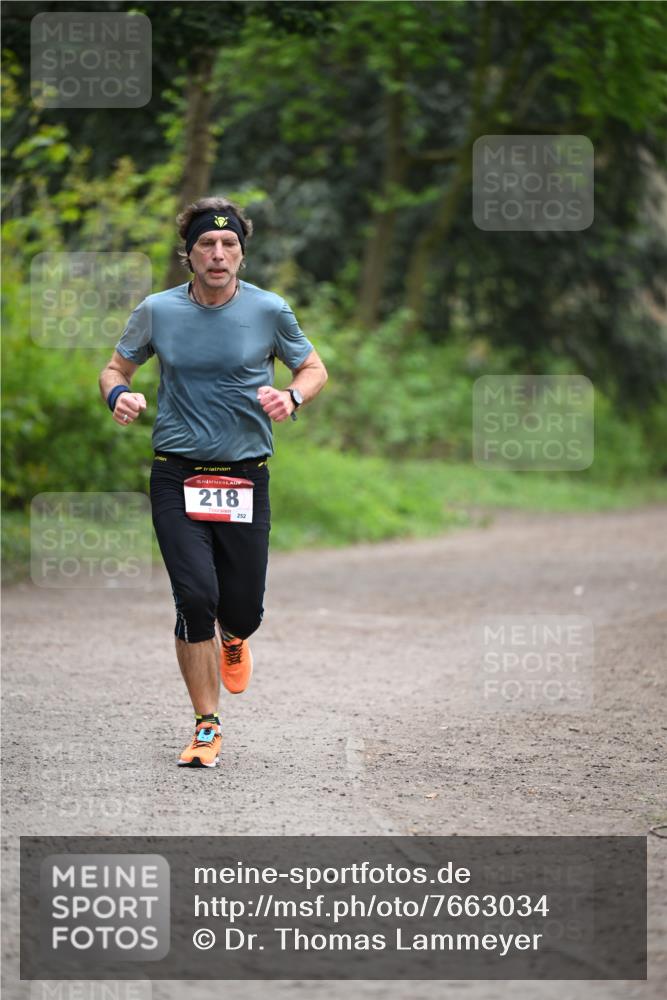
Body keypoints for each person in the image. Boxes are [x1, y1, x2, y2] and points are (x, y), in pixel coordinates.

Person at [99, 196, 327, 768]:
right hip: (176, 474)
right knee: (195, 598)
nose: (218, 254)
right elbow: (115, 367)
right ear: (189, 254)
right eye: (207, 244)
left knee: (242, 609)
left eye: (229, 245)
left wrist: (292, 395)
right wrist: (118, 395)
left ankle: (236, 636)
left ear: (242, 256)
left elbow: (314, 367)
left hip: (246, 476)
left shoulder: (271, 311)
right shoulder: (158, 310)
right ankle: (206, 724)